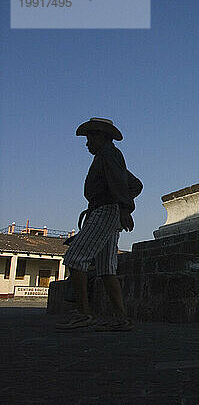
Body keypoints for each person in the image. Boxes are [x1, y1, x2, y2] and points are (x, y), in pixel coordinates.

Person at [56, 118, 140, 331]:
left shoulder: (108, 154)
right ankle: (120, 317)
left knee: (75, 258)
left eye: (90, 137)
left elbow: (120, 183)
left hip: (105, 210)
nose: (87, 143)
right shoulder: (109, 156)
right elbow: (134, 184)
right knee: (106, 268)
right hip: (108, 210)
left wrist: (124, 207)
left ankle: (84, 313)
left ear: (101, 136)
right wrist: (122, 206)